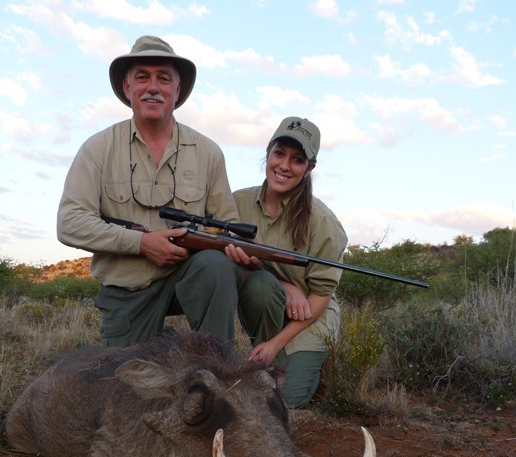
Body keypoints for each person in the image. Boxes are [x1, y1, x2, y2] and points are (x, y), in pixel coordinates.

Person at [57, 35, 242, 347]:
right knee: (127, 388)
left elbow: (228, 223)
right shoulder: (97, 148)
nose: (153, 87)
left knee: (216, 267)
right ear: (128, 88)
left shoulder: (209, 152)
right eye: (142, 77)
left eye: (164, 78)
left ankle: (217, 366)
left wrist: (235, 247)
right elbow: (70, 223)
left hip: (186, 280)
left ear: (177, 89)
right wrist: (142, 244)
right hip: (126, 290)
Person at [225, 117, 347, 409]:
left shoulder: (324, 222)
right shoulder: (236, 203)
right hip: (268, 301)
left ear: (310, 168)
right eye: (279, 154)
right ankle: (269, 360)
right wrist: (285, 285)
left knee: (284, 402)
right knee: (261, 286)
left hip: (310, 318)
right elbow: (222, 256)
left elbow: (320, 295)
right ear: (268, 153)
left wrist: (275, 344)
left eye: (297, 160)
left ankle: (297, 361)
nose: (284, 166)